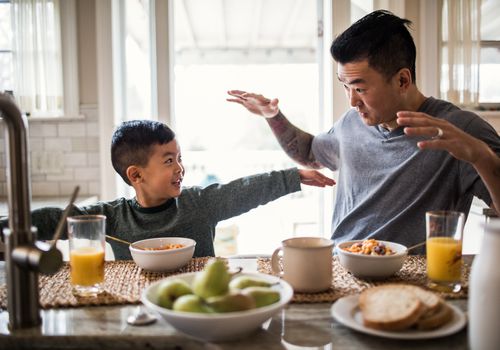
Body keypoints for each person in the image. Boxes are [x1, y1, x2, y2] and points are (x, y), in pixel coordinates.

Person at [227, 10, 500, 250]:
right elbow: (310, 153)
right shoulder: (351, 123)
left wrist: (481, 156)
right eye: (344, 86)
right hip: (340, 271)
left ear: (402, 80)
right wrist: (273, 116)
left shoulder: (459, 130)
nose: (352, 100)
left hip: (413, 285)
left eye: (360, 88)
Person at [0, 120, 335, 259]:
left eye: (180, 158)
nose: (180, 168)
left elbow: (244, 189)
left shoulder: (198, 203)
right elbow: (59, 218)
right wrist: (8, 229)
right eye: (168, 160)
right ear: (136, 175)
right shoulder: (113, 217)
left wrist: (293, 177)